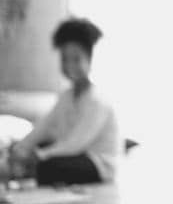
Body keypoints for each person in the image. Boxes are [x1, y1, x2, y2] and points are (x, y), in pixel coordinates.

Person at [12, 18, 121, 185]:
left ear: (90, 59)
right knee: (41, 150)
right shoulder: (66, 96)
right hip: (76, 155)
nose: (69, 66)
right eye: (64, 59)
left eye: (76, 59)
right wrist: (21, 147)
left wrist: (40, 155)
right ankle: (20, 168)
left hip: (99, 164)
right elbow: (44, 126)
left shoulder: (99, 99)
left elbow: (76, 143)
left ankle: (24, 172)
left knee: (48, 164)